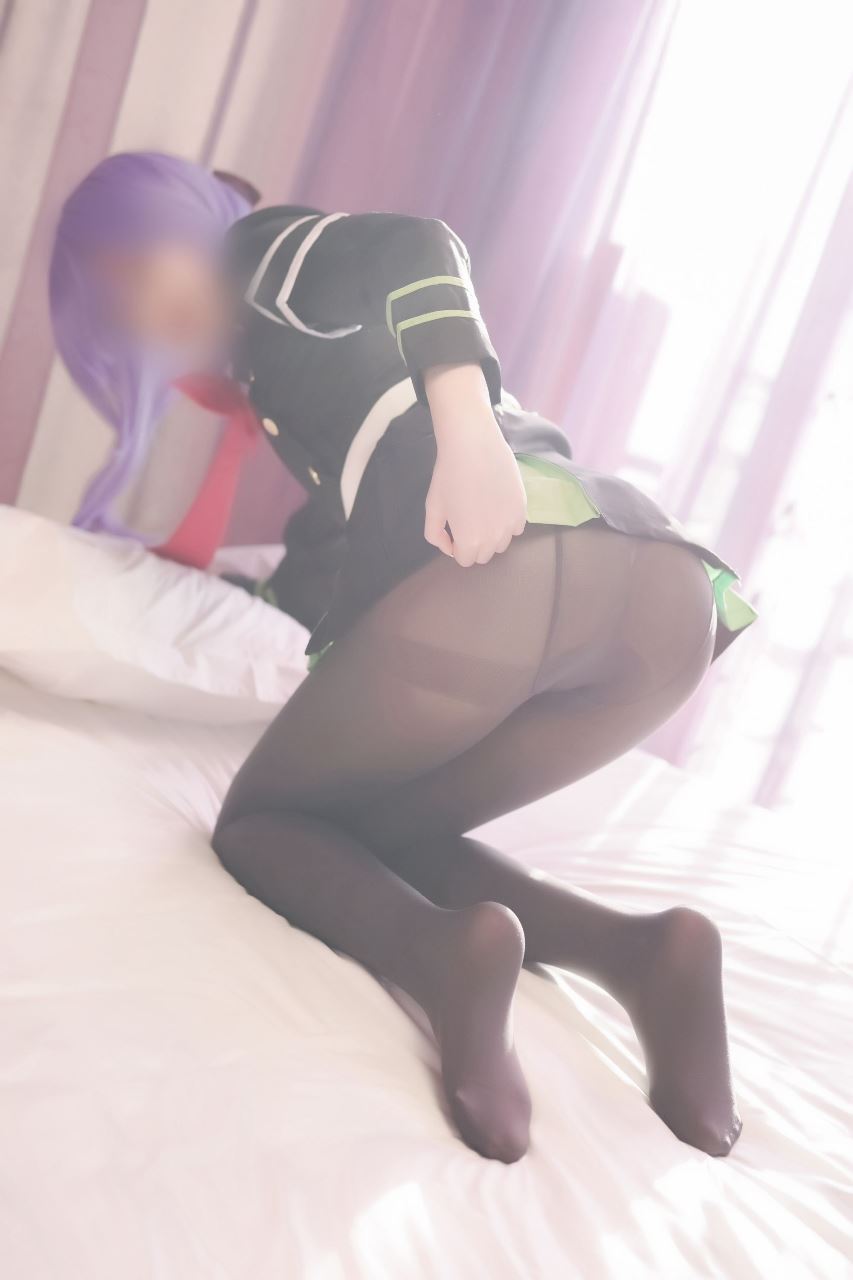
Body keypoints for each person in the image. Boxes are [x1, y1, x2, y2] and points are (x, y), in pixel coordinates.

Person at [50, 152, 756, 1164]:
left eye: (135, 262)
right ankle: (644, 955)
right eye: (112, 305)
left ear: (186, 218)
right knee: (375, 826)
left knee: (260, 823)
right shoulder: (295, 375)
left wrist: (466, 431)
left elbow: (417, 248)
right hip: (659, 600)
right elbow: (318, 564)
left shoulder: (260, 251)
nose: (135, 310)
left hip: (512, 573)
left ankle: (444, 955)